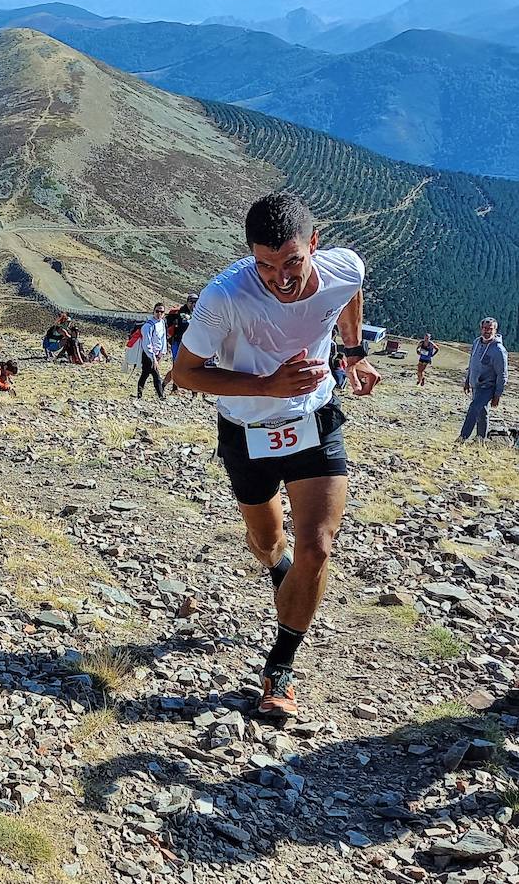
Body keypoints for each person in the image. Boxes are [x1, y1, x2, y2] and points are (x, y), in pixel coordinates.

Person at [171, 192, 381, 720]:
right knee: (268, 543)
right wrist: (267, 385)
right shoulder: (225, 297)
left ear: (314, 244)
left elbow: (349, 292)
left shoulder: (343, 267)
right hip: (246, 430)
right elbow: (184, 372)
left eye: (291, 261)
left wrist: (352, 355)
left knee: (317, 547)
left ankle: (279, 667)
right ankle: (278, 569)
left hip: (315, 420)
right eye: (264, 265)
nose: (279, 277)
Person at [459, 317, 507, 441]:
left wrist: (497, 395)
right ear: (481, 329)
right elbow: (472, 363)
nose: (487, 331)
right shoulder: (476, 342)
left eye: (490, 329)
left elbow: (502, 374)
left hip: (487, 387)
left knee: (474, 408)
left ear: (495, 330)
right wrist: (467, 381)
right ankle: (481, 439)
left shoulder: (498, 350)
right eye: (485, 328)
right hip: (475, 385)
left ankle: (462, 438)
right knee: (482, 412)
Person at [162, 294, 197, 396]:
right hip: (178, 342)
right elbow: (167, 324)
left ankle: (194, 392)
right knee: (176, 366)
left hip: (192, 344)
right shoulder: (178, 312)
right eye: (191, 302)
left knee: (193, 367)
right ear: (187, 301)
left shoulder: (198, 313)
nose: (193, 304)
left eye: (195, 302)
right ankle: (170, 387)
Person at [136, 303, 168, 399]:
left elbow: (163, 339)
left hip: (157, 354)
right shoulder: (148, 326)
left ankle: (139, 393)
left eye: (161, 312)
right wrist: (153, 357)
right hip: (148, 354)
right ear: (153, 312)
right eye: (157, 311)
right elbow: (147, 344)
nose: (159, 313)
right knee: (156, 375)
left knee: (145, 373)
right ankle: (160, 395)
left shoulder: (162, 323)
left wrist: (162, 352)